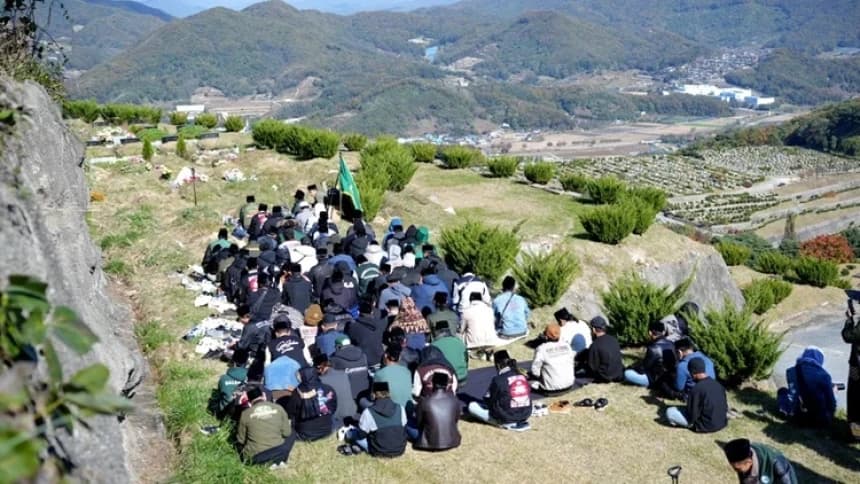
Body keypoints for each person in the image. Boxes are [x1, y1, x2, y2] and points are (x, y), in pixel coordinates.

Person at [467, 351, 531, 431]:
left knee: (472, 406)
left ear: (498, 365)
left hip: (507, 417)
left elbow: (488, 399)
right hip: (525, 414)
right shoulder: (522, 376)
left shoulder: (498, 379)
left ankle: (504, 423)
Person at [344, 382, 408, 457]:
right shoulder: (400, 408)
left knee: (353, 435)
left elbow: (361, 435)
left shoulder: (369, 412)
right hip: (400, 450)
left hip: (379, 451)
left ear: (373, 395)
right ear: (389, 393)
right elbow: (404, 430)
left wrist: (350, 433)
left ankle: (349, 436)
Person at [777, 346, 837, 426]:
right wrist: (834, 393)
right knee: (828, 397)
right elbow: (831, 404)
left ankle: (785, 409)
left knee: (782, 391)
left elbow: (794, 390)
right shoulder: (824, 375)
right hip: (819, 420)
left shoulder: (790, 371)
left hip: (797, 416)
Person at [665, 357, 727, 433]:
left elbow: (692, 416)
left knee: (670, 411)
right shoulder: (718, 385)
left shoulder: (697, 389)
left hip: (705, 426)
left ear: (693, 372)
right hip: (721, 423)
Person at [237, 386, 294, 468]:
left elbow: (241, 440)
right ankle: (280, 460)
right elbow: (287, 433)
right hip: (278, 452)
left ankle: (266, 464)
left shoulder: (245, 414)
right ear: (264, 396)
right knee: (292, 433)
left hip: (254, 458)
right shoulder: (278, 408)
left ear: (249, 402)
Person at [283, 367, 337, 441]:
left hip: (305, 434)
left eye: (299, 377)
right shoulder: (328, 388)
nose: (298, 379)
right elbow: (334, 407)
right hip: (327, 430)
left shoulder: (298, 392)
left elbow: (290, 413)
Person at [413, 373, 461, 451]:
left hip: (428, 443)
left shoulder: (425, 401)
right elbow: (456, 420)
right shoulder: (455, 400)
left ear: (432, 383)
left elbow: (419, 423)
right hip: (452, 441)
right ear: (447, 384)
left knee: (408, 425)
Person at [624, 321, 675, 389]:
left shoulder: (653, 348)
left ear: (650, 332)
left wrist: (631, 367)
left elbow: (643, 369)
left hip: (655, 380)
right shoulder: (671, 343)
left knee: (627, 373)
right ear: (663, 332)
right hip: (668, 378)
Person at [723, 438, 797, 484]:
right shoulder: (744, 457)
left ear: (749, 462)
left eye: (738, 469)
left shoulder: (778, 465)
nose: (736, 471)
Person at [531, 323, 575, 393]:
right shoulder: (567, 346)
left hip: (550, 389)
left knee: (528, 382)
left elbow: (535, 371)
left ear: (546, 335)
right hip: (569, 385)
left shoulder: (541, 349)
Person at [315, 354, 356, 429]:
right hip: (352, 411)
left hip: (337, 417)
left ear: (319, 367)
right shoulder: (343, 374)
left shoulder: (322, 381)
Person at [347, 301, 386, 369]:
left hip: (365, 360)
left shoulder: (353, 326)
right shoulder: (379, 323)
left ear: (359, 312)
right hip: (379, 357)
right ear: (371, 312)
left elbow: (351, 340)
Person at [584, 316, 624, 383]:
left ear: (593, 329)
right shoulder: (613, 339)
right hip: (618, 373)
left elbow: (592, 367)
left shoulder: (595, 345)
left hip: (605, 377)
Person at [330, 336, 370, 402]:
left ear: (338, 347)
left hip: (348, 394)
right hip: (365, 391)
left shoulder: (334, 360)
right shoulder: (363, 355)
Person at [460, 292, 499, 356]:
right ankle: (487, 352)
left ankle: (476, 352)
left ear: (470, 300)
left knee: (462, 332)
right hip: (491, 341)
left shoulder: (466, 311)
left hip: (474, 344)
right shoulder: (490, 310)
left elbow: (461, 330)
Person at [843, 307, 860, 439]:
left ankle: (855, 433)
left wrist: (849, 320)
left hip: (857, 366)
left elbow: (849, 336)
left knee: (854, 395)